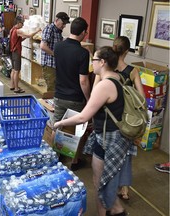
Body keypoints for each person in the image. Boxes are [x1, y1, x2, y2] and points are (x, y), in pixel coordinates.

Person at [54, 46, 130, 216]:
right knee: (106, 181)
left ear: (102, 62)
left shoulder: (105, 86)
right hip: (118, 137)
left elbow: (83, 116)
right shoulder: (119, 77)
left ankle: (115, 210)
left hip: (108, 139)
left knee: (99, 182)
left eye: (94, 60)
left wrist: (60, 123)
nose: (92, 63)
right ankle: (115, 210)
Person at [94, 36, 145, 201]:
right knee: (127, 155)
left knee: (106, 156)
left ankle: (108, 188)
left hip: (110, 119)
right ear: (127, 51)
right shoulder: (133, 71)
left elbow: (95, 91)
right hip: (127, 120)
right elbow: (141, 98)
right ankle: (124, 190)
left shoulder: (107, 69)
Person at [53, 17, 91, 171]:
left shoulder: (58, 46)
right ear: (83, 33)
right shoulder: (83, 53)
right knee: (78, 131)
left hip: (59, 95)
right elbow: (84, 81)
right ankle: (75, 161)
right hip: (75, 98)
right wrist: (89, 99)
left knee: (58, 126)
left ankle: (56, 156)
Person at [9, 16, 41, 93]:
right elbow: (29, 35)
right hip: (16, 52)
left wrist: (25, 38)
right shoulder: (17, 31)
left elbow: (18, 39)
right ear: (18, 23)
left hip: (12, 51)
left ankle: (12, 85)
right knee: (17, 71)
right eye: (22, 23)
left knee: (13, 70)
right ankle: (16, 88)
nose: (23, 25)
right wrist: (37, 31)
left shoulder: (12, 29)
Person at [40, 12, 70, 93]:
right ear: (57, 20)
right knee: (51, 89)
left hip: (55, 64)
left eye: (65, 24)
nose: (64, 26)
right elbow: (43, 46)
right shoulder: (49, 29)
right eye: (63, 23)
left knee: (56, 87)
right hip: (49, 65)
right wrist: (55, 54)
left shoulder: (58, 31)